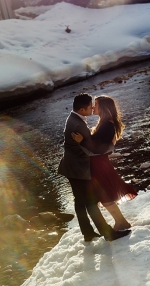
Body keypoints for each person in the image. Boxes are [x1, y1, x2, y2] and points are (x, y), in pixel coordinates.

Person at [57, 93, 131, 242]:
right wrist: (106, 148)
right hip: (78, 168)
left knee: (82, 201)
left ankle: (88, 232)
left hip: (75, 167)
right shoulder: (78, 124)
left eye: (95, 105)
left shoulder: (75, 119)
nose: (92, 107)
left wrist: (106, 148)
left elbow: (96, 146)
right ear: (83, 109)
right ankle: (107, 233)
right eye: (91, 105)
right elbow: (93, 148)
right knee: (90, 202)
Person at [73, 95, 137, 231]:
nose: (93, 107)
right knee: (104, 195)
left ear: (104, 107)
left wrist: (81, 141)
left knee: (104, 196)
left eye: (96, 104)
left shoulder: (107, 125)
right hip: (99, 163)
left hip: (99, 164)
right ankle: (121, 222)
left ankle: (122, 222)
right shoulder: (105, 123)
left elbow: (99, 148)